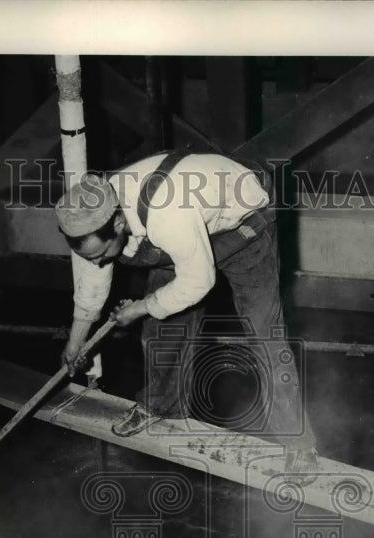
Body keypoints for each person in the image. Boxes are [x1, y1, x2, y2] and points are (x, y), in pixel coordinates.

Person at [53, 151, 317, 478]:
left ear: (118, 224)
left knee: (265, 338)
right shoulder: (91, 218)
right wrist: (76, 344)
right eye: (88, 256)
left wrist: (140, 307)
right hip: (184, 234)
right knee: (160, 329)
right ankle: (161, 408)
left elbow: (198, 281)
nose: (98, 262)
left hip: (245, 225)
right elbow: (93, 285)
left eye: (102, 254)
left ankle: (298, 444)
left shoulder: (167, 214)